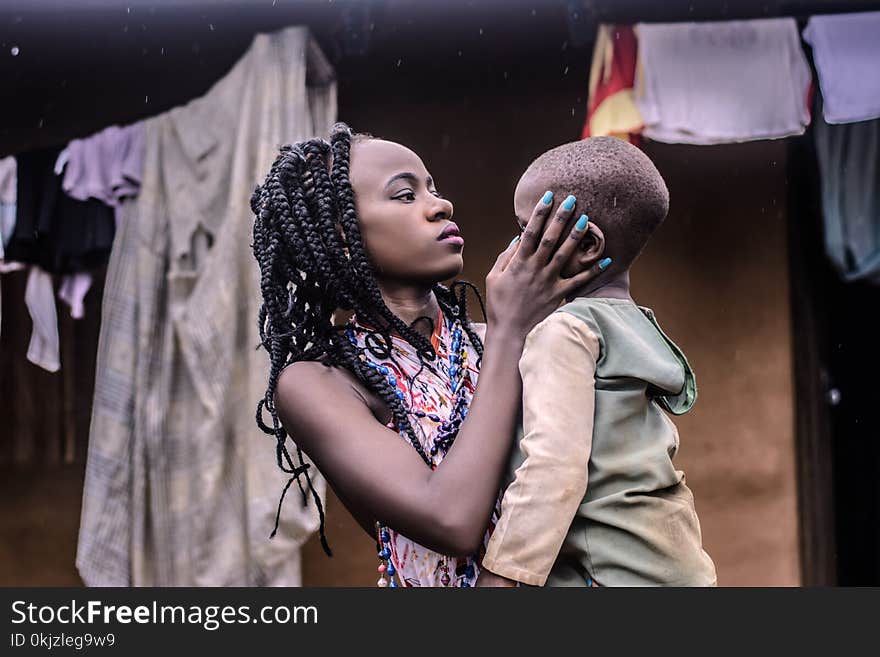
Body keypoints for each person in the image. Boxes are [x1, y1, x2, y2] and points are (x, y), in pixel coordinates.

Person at [249, 123, 609, 587]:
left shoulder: (505, 341)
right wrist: (510, 331)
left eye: (432, 188)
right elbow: (451, 520)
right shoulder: (318, 384)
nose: (441, 205)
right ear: (342, 235)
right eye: (404, 195)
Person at [478, 136, 717, 587]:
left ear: (586, 245)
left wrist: (503, 576)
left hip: (609, 576)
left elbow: (554, 468)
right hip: (673, 565)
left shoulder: (564, 332)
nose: (515, 247)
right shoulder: (636, 326)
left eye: (525, 230)